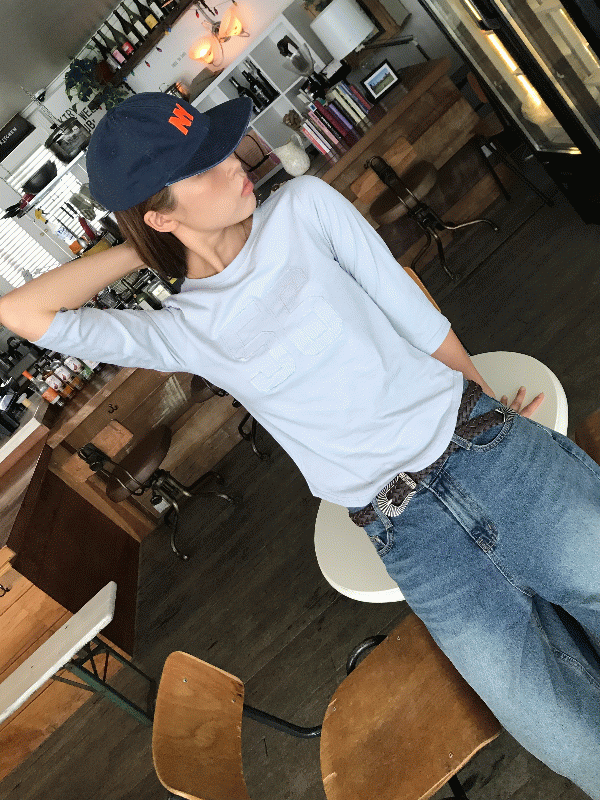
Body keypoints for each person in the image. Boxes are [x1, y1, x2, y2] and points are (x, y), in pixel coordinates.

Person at [1, 93, 598, 796]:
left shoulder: (305, 208)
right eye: (204, 168)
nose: (235, 164)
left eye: (222, 146)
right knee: (568, 736)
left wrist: (487, 406)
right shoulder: (180, 330)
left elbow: (414, 315)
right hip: (411, 537)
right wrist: (143, 246)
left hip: (483, 450)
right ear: (160, 214)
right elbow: (20, 311)